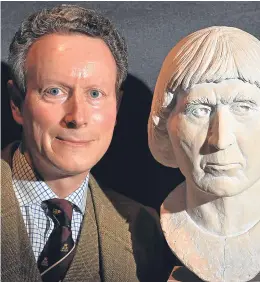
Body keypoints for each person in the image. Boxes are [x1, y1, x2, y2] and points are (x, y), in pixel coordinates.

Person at [2, 5, 167, 282]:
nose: (77, 117)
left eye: (95, 93)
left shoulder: (144, 230)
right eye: (54, 91)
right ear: (17, 104)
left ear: (117, 107)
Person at [148, 26, 260, 281]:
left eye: (243, 107)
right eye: (199, 110)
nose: (221, 139)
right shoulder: (142, 230)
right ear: (165, 125)